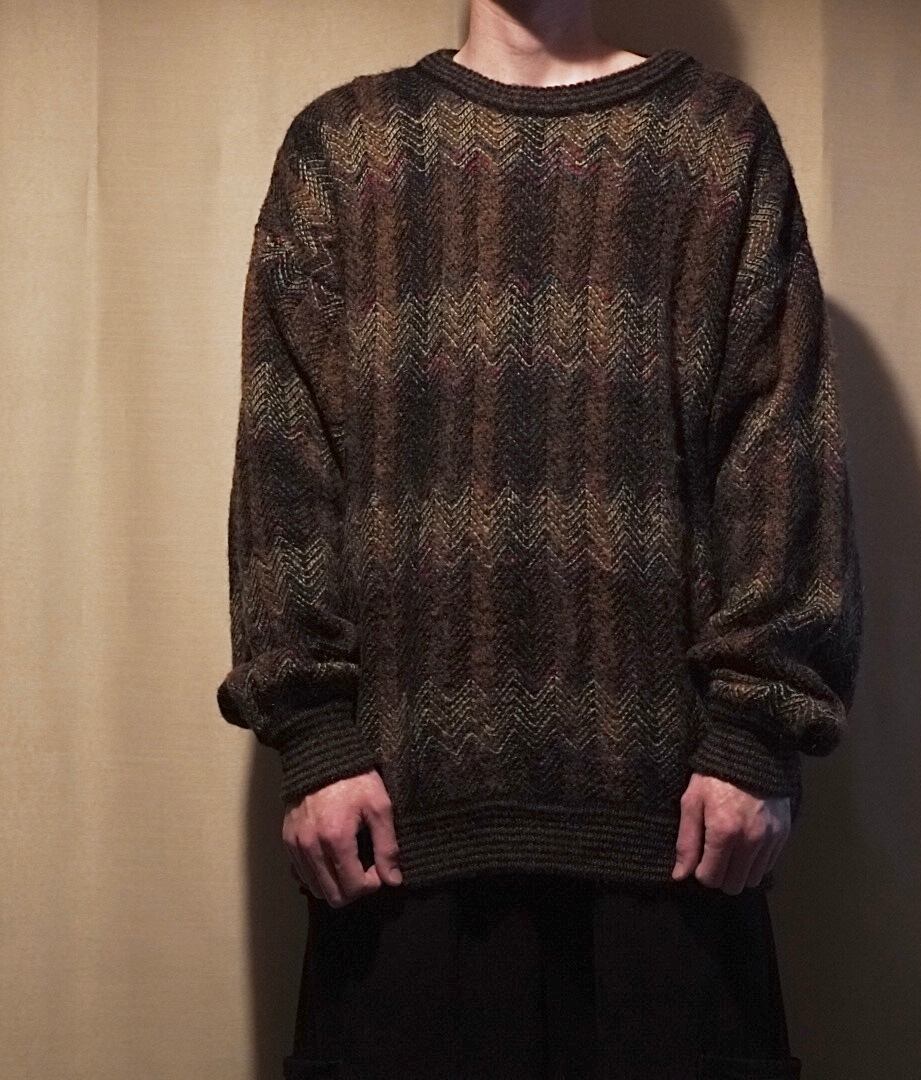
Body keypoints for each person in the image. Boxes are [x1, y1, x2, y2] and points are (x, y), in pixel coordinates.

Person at [215, 3, 863, 1077]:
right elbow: (287, 458)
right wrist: (314, 732)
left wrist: (759, 728)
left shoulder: (715, 142)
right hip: (397, 829)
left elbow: (779, 442)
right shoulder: (345, 148)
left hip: (674, 830)